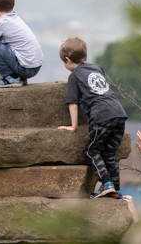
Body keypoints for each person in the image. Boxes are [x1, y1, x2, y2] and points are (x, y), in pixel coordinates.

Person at [57, 37, 128, 199]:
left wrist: (73, 126)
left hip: (101, 116)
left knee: (92, 150)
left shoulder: (74, 76)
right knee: (109, 152)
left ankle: (106, 184)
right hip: (119, 113)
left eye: (64, 62)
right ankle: (115, 190)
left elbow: (73, 103)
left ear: (68, 60)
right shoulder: (97, 68)